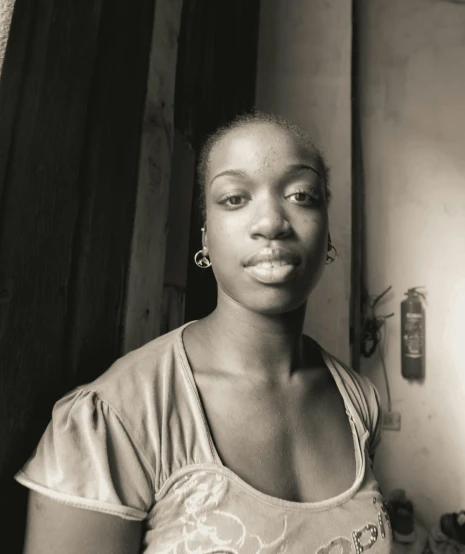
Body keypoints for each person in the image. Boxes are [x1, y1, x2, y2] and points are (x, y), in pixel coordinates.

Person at [15, 112, 391, 553]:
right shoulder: (113, 422)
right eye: (234, 198)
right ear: (205, 238)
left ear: (327, 233)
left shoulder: (359, 403)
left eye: (302, 195)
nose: (270, 222)